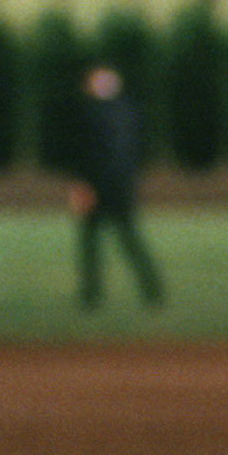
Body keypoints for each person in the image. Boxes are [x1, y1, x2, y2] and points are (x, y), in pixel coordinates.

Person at [59, 64, 165, 310]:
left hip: (115, 187)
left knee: (125, 241)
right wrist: (80, 185)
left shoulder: (124, 112)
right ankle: (93, 294)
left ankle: (150, 290)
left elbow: (134, 152)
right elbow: (80, 153)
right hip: (100, 187)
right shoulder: (102, 112)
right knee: (93, 244)